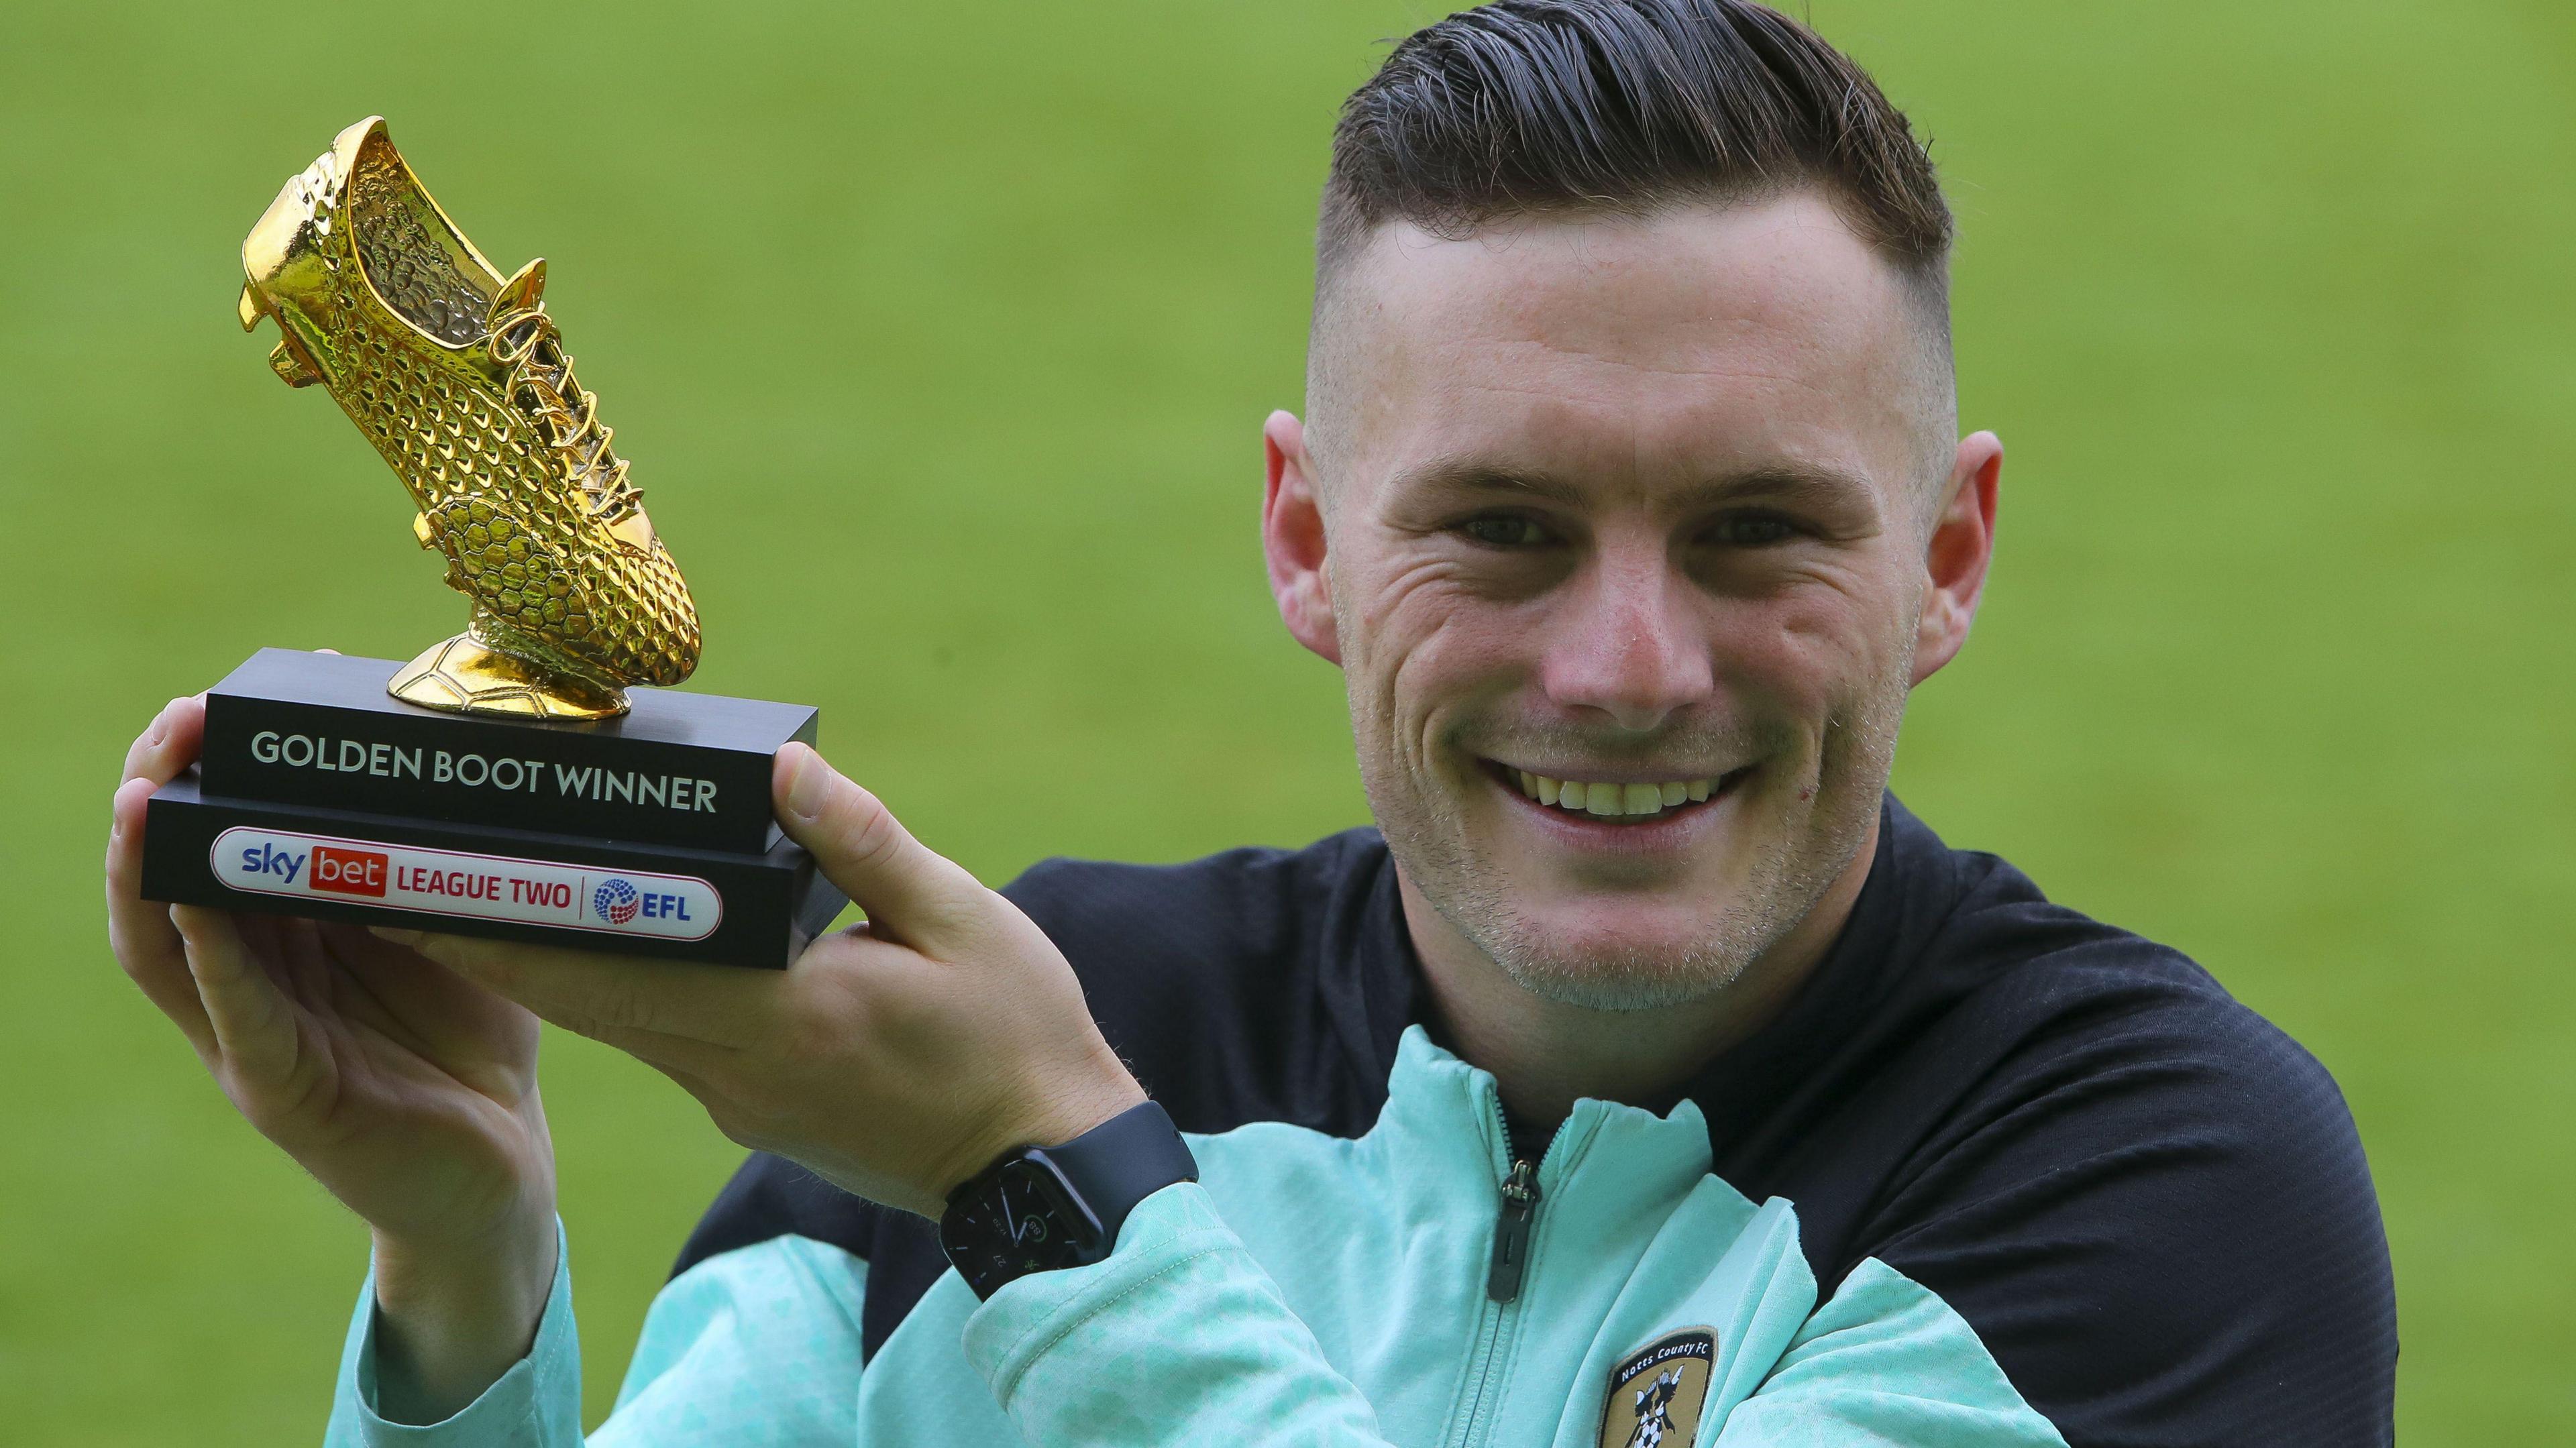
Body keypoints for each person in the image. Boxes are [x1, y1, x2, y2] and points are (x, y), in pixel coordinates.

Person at [105, 1, 2398, 1443]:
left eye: (1752, 535)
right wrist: (465, 1280)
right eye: (1497, 529)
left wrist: (1054, 1192)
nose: (1622, 665)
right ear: (1307, 542)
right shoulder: (1040, 1044)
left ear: (1948, 561)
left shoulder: (2167, 1191)